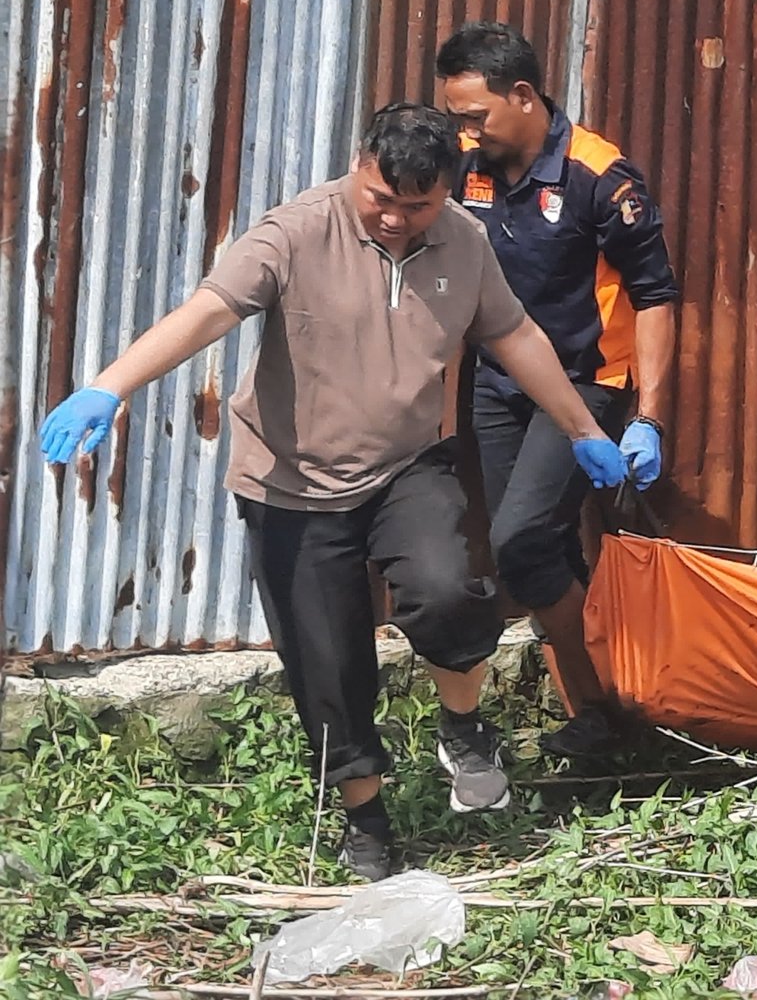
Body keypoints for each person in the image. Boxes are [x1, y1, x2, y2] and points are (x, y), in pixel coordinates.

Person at [37, 104, 629, 881]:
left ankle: (461, 725)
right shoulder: (294, 232)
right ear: (360, 166)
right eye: (380, 196)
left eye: (415, 205)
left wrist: (583, 427)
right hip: (291, 482)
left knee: (450, 593)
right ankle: (367, 821)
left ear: (447, 191)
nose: (392, 217)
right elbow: (208, 312)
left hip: (406, 465)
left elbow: (513, 335)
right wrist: (107, 389)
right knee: (327, 658)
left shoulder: (464, 241)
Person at [435, 22, 679, 760]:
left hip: (587, 384)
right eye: (455, 120)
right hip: (498, 385)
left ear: (523, 94)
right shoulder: (468, 171)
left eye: (475, 117)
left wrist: (650, 418)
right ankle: (600, 718)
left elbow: (657, 295)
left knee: (519, 542)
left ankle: (608, 710)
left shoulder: (599, 175)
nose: (466, 133)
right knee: (539, 556)